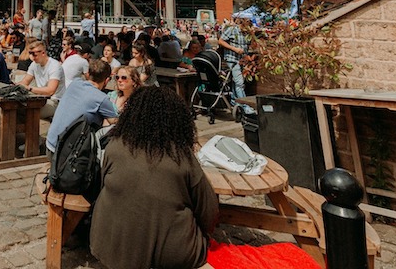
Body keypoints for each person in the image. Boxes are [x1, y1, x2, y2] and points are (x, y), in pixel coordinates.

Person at [90, 86, 219, 269]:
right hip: (172, 253)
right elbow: (208, 210)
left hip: (109, 246)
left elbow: (104, 185)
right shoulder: (181, 156)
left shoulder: (114, 146)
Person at [46, 59, 117, 153]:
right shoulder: (102, 99)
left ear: (88, 74)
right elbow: (115, 122)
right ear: (107, 80)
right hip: (66, 154)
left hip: (50, 143)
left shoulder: (75, 83)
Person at [19, 40, 65, 119]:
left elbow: (50, 91)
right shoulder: (34, 64)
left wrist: (29, 88)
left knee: (29, 113)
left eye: (34, 54)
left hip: (55, 101)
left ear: (43, 53)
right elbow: (25, 81)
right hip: (40, 99)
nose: (32, 57)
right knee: (17, 109)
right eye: (30, 54)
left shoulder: (54, 66)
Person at [218, 19, 250, 105]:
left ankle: (235, 102)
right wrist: (234, 49)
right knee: (239, 83)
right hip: (232, 59)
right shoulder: (232, 30)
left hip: (241, 60)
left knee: (236, 82)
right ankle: (245, 105)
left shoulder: (247, 33)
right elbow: (221, 41)